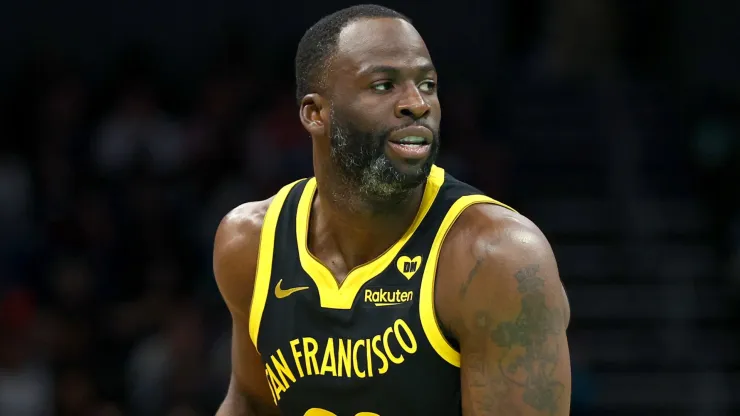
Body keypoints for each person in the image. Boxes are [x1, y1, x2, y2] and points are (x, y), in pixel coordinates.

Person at [213, 4, 571, 416]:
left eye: (428, 84)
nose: (417, 104)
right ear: (316, 114)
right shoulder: (251, 243)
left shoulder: (495, 258)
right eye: (384, 85)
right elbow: (251, 401)